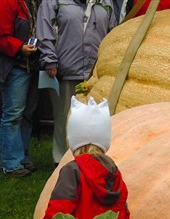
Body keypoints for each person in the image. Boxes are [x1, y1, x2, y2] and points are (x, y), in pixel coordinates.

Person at [36, 0, 117, 166]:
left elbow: (113, 34)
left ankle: (94, 160)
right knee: (65, 118)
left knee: (97, 118)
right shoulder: (54, 2)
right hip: (65, 70)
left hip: (96, 73)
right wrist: (50, 60)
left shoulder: (106, 2)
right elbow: (44, 30)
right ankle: (61, 161)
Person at [0, 0, 40, 177]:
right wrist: (20, 47)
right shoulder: (5, 3)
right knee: (13, 114)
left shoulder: (34, 3)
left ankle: (22, 157)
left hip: (31, 66)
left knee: (27, 114)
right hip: (14, 66)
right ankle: (10, 163)